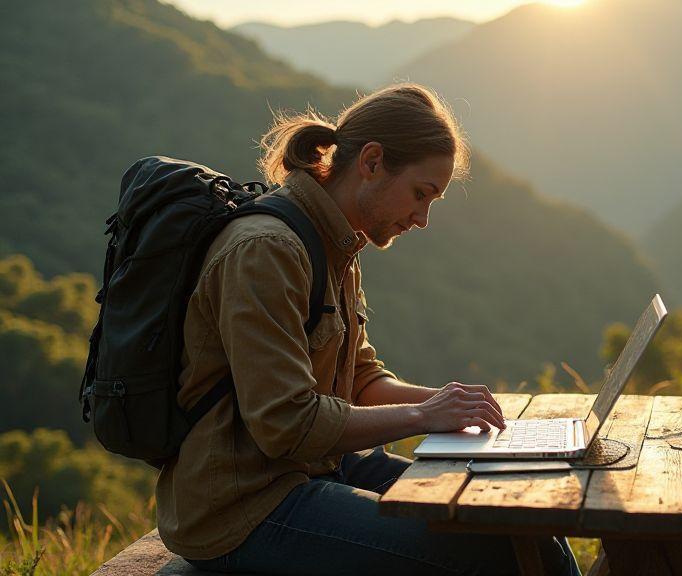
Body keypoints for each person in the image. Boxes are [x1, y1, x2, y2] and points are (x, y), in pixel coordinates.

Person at [157, 83, 580, 575]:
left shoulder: (335, 243)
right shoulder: (267, 251)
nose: (423, 219)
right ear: (373, 161)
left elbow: (361, 380)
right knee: (497, 553)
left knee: (522, 525)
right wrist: (424, 416)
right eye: (421, 194)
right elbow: (286, 424)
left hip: (320, 466)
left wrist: (450, 403)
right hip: (244, 506)